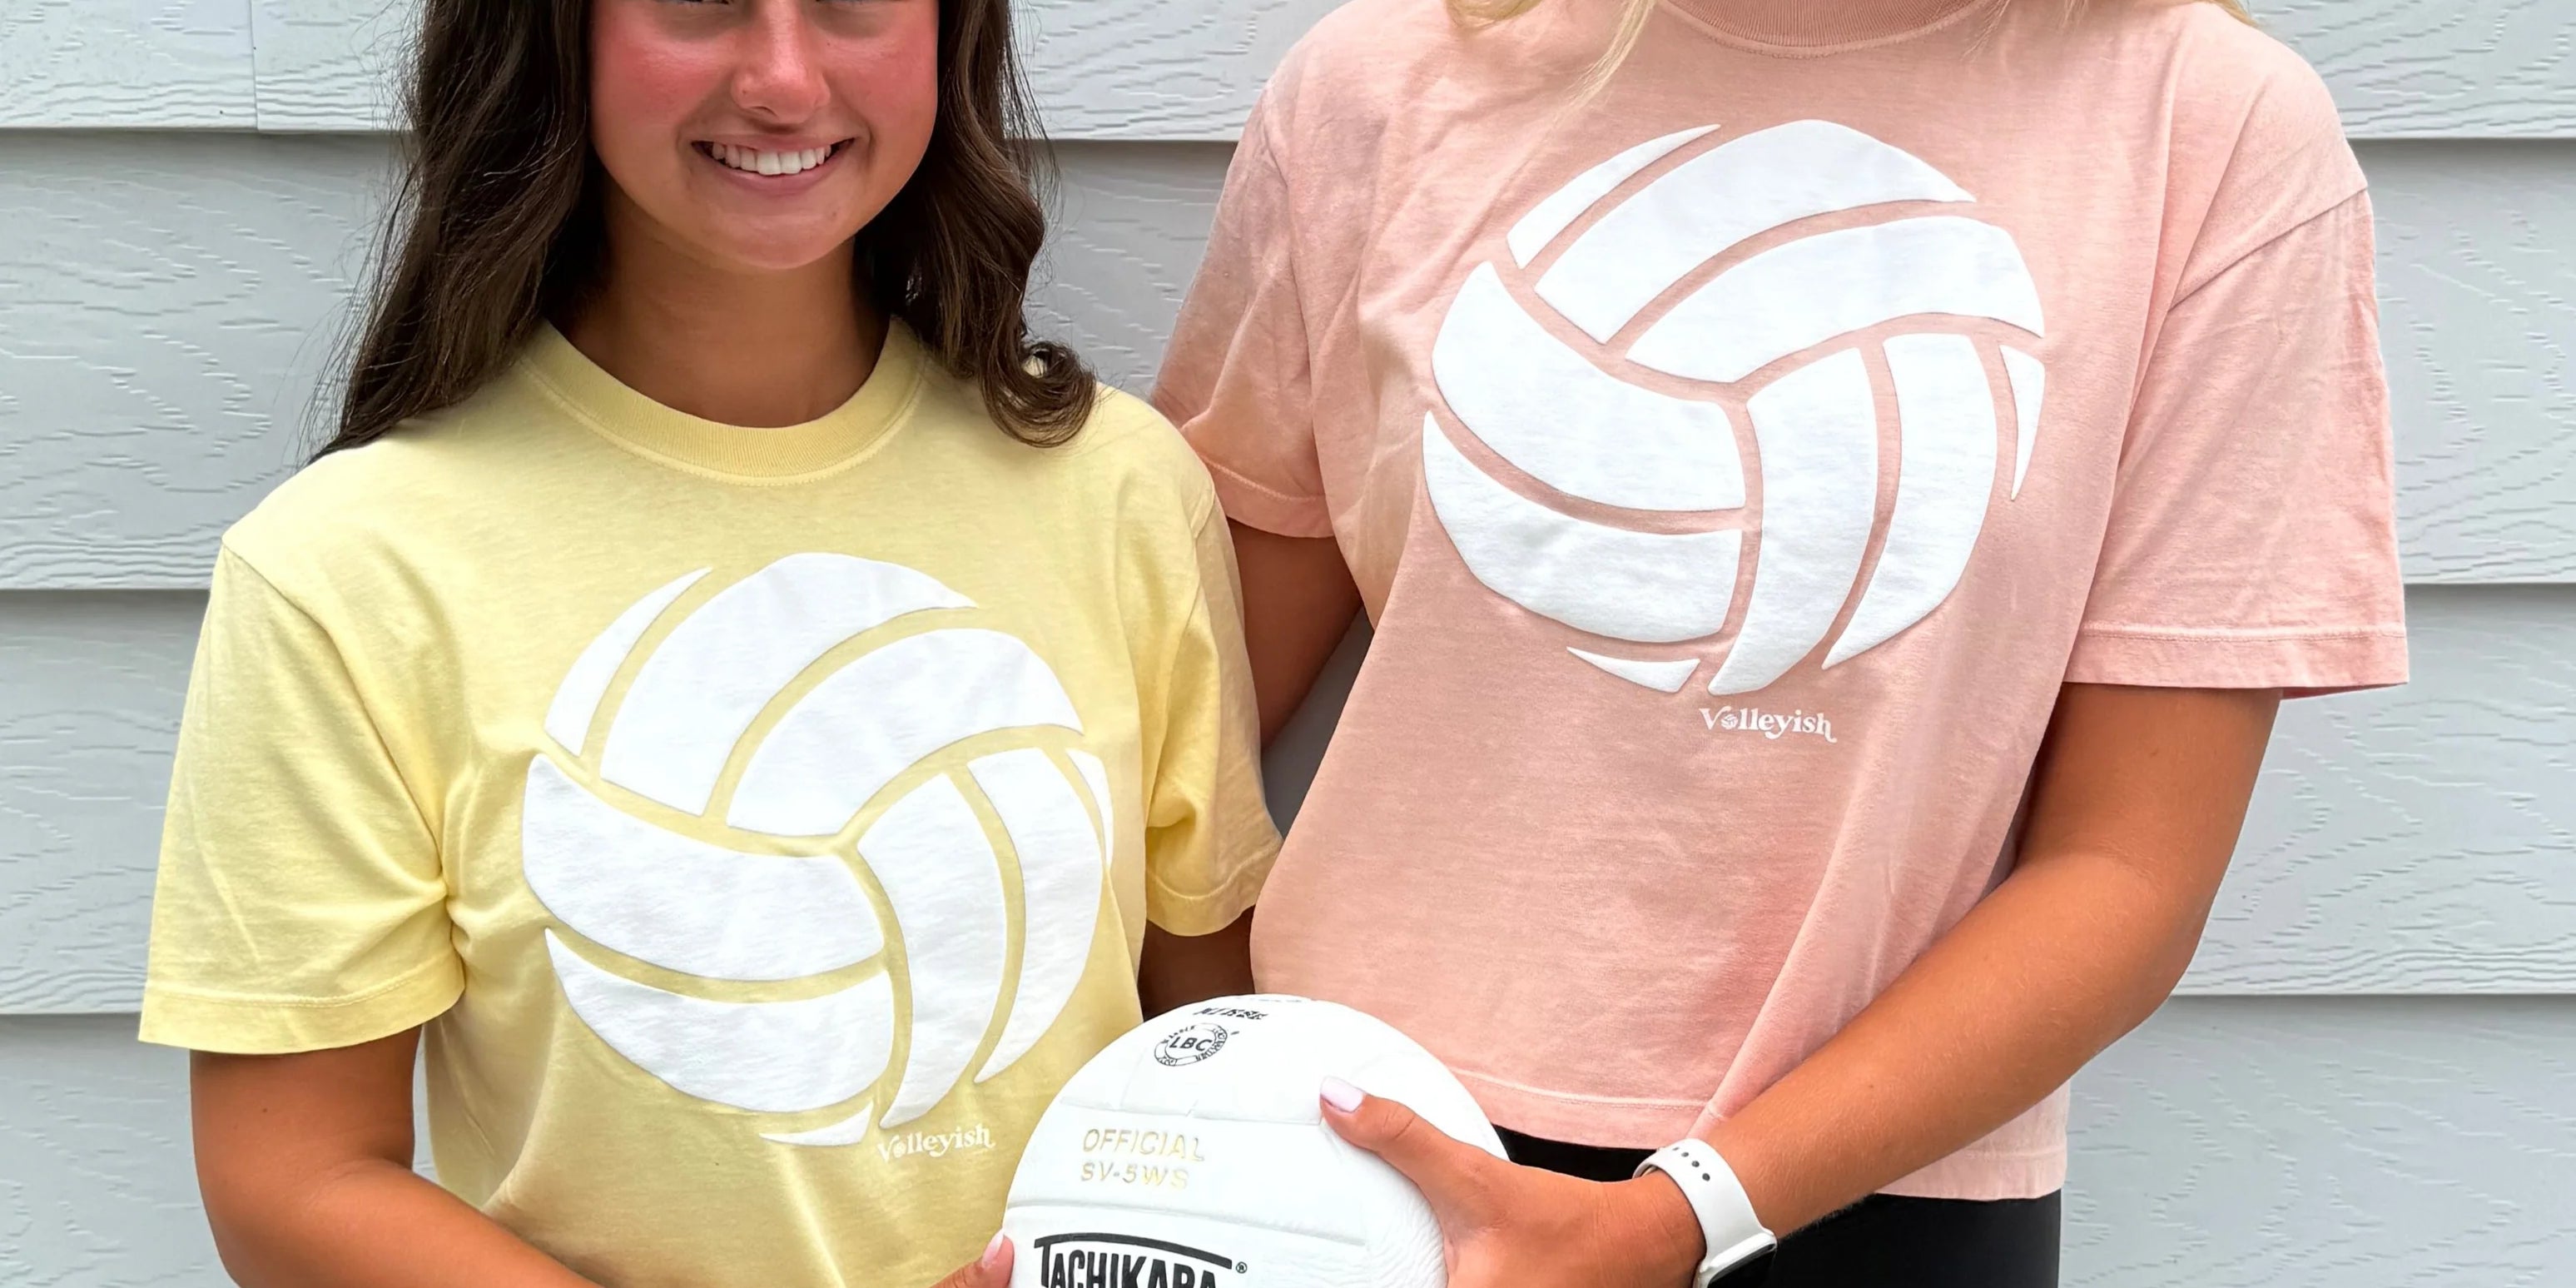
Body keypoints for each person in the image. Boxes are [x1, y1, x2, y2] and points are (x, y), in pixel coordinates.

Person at [1158, 0, 2405, 1283]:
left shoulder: (2206, 123)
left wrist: (1672, 1217)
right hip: (1354, 1170)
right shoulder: (1387, 84)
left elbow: (2130, 870)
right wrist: (1177, 1100)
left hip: (1872, 1194)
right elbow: (1177, 732)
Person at [136, 2, 1276, 1286]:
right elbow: (291, 1181)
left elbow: (1213, 1043)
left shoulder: (1116, 493)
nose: (783, 80)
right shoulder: (348, 571)